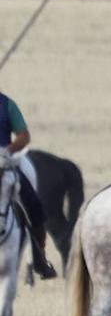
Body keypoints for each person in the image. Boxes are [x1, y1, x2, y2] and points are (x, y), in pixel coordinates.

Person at [0, 90, 56, 278]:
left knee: (35, 208)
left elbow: (24, 136)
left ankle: (40, 259)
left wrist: (7, 150)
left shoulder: (7, 105)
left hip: (4, 166)